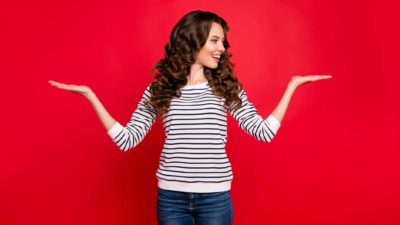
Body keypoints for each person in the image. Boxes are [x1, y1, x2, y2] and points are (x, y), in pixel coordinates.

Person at [49, 10, 331, 225]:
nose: (222, 47)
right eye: (215, 40)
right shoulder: (160, 88)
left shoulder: (225, 87)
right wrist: (90, 96)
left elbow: (263, 132)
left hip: (215, 200)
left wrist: (292, 86)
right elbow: (127, 140)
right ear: (193, 41)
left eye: (223, 41)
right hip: (171, 199)